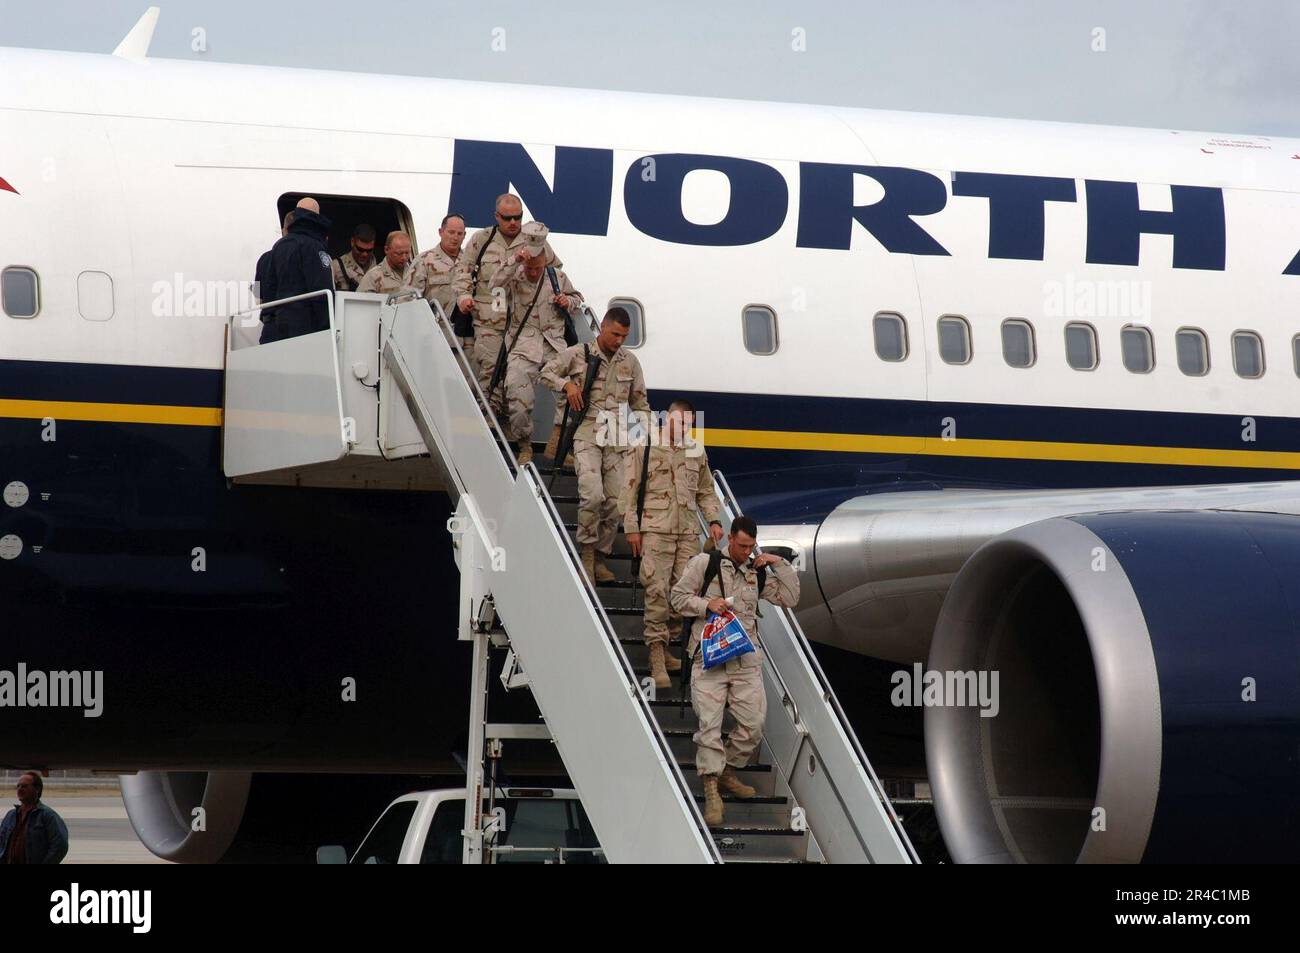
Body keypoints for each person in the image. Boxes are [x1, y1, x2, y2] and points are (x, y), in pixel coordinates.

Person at [670, 516, 800, 827]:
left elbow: (790, 598)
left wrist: (778, 562)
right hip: (710, 659)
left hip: (745, 660)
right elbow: (677, 598)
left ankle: (727, 770)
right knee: (710, 725)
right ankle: (712, 787)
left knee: (753, 725)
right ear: (730, 538)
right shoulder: (705, 563)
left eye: (751, 547)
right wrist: (706, 604)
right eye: (742, 546)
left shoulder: (757, 572)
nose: (746, 551)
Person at [541, 307, 648, 585]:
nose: (619, 341)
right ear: (603, 328)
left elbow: (640, 405)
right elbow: (546, 372)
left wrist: (644, 439)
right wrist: (567, 385)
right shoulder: (578, 354)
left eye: (624, 336)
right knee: (592, 495)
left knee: (616, 502)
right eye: (615, 334)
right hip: (586, 433)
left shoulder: (630, 362)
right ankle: (586, 555)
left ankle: (601, 556)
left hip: (617, 438)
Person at [622, 399, 723, 689]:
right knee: (656, 589)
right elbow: (630, 489)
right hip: (655, 530)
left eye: (690, 425)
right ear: (668, 420)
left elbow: (705, 490)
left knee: (684, 591)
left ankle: (671, 647)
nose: (685, 430)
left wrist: (714, 520)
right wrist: (631, 529)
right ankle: (656, 653)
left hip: (687, 532)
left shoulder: (695, 450)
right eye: (681, 424)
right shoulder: (646, 445)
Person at [485, 222, 584, 464]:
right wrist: (513, 261)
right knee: (517, 397)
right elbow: (493, 285)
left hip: (554, 344)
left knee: (576, 388)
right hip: (522, 345)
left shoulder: (556, 276)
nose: (532, 273)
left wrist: (566, 302)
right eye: (529, 268)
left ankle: (558, 441)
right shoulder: (515, 275)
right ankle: (525, 445)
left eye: (537, 268)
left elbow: (577, 298)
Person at [452, 193, 562, 333]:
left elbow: (555, 274)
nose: (513, 222)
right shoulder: (481, 240)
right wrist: (464, 297)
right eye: (507, 218)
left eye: (517, 217)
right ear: (497, 216)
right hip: (488, 324)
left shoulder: (534, 241)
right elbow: (462, 273)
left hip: (525, 325)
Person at [258, 197, 333, 343]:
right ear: (317, 217)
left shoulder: (272, 252)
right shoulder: (314, 247)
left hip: (272, 329)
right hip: (302, 330)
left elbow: (260, 294)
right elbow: (322, 291)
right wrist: (327, 327)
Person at [0, 772, 69, 864]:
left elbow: (60, 846)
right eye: (18, 786)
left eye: (24, 786)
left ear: (37, 789)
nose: (20, 789)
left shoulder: (47, 815)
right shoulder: (11, 815)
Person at [331, 224, 377, 292]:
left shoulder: (380, 265)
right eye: (360, 249)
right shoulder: (336, 266)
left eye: (369, 250)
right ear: (352, 242)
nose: (365, 254)